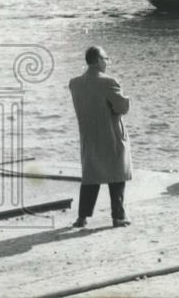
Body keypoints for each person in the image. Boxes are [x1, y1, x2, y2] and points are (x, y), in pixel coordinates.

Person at [69, 46, 133, 228]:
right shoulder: (109, 82)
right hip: (111, 134)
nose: (107, 62)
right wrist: (126, 100)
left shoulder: (74, 83)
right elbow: (122, 108)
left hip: (89, 136)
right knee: (117, 176)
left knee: (91, 177)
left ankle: (82, 217)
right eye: (106, 58)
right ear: (97, 60)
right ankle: (118, 216)